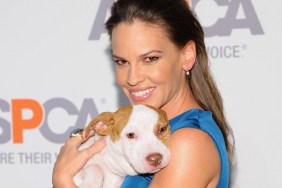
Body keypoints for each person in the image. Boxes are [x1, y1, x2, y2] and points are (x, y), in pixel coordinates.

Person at [52, 0, 234, 187]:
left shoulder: (188, 144)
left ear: (187, 56)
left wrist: (63, 180)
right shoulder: (140, 133)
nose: (132, 78)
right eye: (122, 62)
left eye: (150, 59)